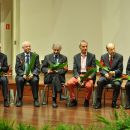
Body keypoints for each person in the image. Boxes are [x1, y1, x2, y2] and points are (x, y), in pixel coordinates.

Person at [66, 40, 96, 107]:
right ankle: (73, 100)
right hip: (79, 75)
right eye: (83, 46)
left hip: (88, 76)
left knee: (89, 85)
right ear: (80, 47)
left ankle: (86, 99)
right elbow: (75, 69)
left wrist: (90, 76)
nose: (85, 48)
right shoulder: (76, 57)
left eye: (86, 46)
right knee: (69, 83)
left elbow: (94, 69)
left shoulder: (92, 56)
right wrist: (78, 77)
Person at [94, 43, 123, 109]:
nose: (113, 51)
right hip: (105, 77)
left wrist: (114, 72)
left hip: (115, 77)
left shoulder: (120, 57)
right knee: (100, 81)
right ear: (107, 50)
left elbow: (120, 69)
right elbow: (101, 68)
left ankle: (114, 102)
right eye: (111, 49)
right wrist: (105, 74)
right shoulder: (103, 57)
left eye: (114, 49)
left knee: (117, 84)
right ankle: (98, 101)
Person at [41, 43, 68, 108]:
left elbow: (65, 70)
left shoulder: (64, 58)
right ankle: (60, 93)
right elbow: (42, 68)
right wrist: (48, 70)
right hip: (49, 77)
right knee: (54, 77)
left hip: (59, 77)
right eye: (55, 50)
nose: (56, 52)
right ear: (52, 49)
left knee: (55, 77)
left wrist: (58, 71)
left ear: (60, 50)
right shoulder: (47, 57)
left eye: (57, 50)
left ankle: (54, 100)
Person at [15, 41, 40, 107]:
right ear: (23, 48)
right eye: (27, 46)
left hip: (32, 75)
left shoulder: (35, 56)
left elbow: (38, 68)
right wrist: (23, 74)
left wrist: (33, 74)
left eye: (29, 46)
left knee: (35, 80)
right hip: (22, 75)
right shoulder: (19, 56)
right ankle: (19, 99)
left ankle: (36, 99)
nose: (29, 47)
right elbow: (17, 69)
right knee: (19, 80)